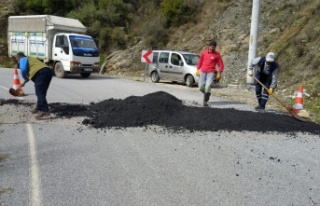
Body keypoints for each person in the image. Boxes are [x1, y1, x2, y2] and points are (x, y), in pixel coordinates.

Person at [14, 52, 53, 120]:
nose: (18, 61)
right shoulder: (30, 59)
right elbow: (30, 73)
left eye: (17, 59)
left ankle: (45, 111)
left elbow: (23, 70)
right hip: (48, 71)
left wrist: (24, 78)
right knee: (41, 92)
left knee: (39, 92)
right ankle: (39, 107)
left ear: (19, 57)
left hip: (41, 73)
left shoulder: (23, 59)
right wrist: (24, 82)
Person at [196, 41, 224, 106]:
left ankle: (205, 101)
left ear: (215, 47)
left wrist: (219, 72)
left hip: (211, 72)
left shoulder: (217, 55)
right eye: (210, 47)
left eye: (213, 47)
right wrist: (197, 69)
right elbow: (200, 61)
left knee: (207, 86)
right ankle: (207, 93)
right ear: (209, 46)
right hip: (203, 71)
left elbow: (220, 64)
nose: (211, 49)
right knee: (200, 87)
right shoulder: (204, 53)